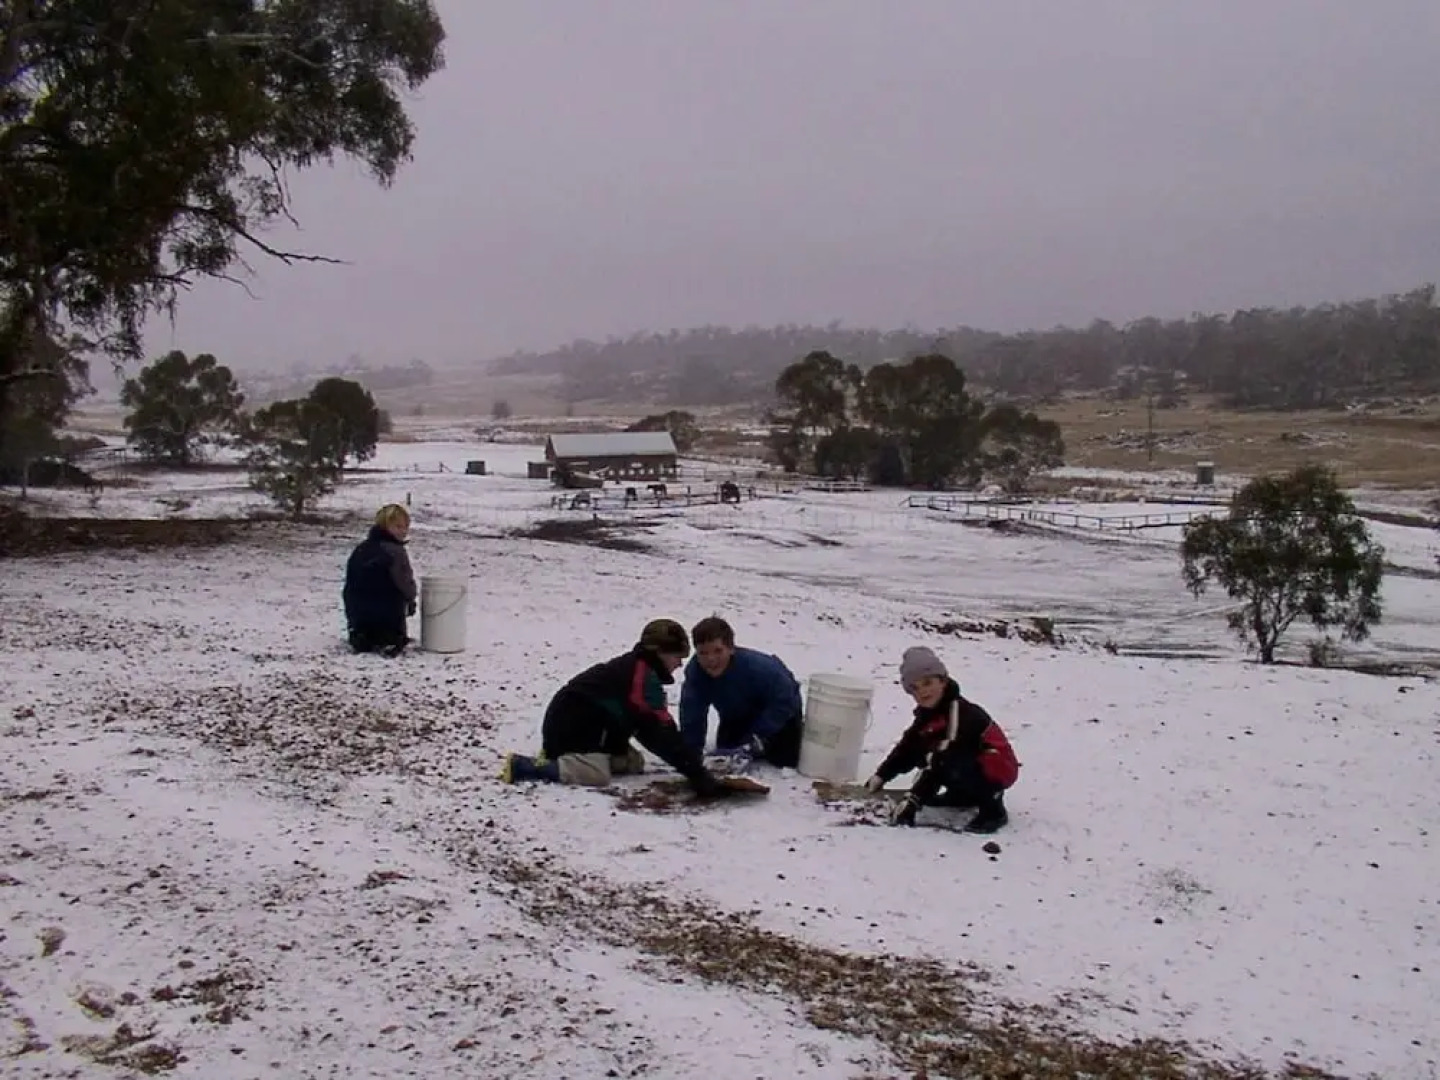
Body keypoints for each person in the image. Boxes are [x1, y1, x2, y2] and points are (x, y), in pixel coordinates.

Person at [502, 619, 728, 797]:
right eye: (677, 656)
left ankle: (565, 757)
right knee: (596, 774)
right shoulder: (641, 678)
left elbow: (643, 726)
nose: (680, 663)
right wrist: (695, 772)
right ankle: (528, 766)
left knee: (632, 763)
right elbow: (657, 730)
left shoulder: (640, 670)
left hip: (590, 726)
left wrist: (689, 764)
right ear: (660, 653)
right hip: (571, 728)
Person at [863, 646, 1019, 833]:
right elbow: (908, 747)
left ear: (943, 681)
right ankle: (961, 796)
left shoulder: (961, 713)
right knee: (929, 750)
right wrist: (882, 776)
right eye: (914, 688)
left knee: (946, 757)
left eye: (927, 683)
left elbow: (942, 758)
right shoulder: (927, 715)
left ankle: (993, 809)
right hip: (969, 764)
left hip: (999, 768)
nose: (922, 692)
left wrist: (914, 799)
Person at [678, 616, 805, 768]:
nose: (711, 659)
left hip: (781, 713)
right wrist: (692, 751)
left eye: (718, 651)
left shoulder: (760, 668)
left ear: (731, 649)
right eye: (703, 653)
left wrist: (758, 735)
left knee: (784, 759)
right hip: (737, 715)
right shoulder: (696, 673)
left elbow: (785, 699)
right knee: (726, 753)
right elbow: (692, 713)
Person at [342, 504, 417, 657]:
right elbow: (404, 582)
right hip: (387, 617)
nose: (403, 531)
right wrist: (411, 599)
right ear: (385, 526)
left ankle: (361, 636)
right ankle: (389, 639)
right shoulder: (395, 552)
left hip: (358, 616)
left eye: (405, 527)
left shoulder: (362, 549)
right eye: (398, 527)